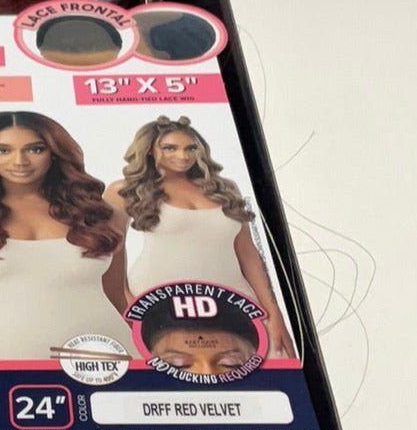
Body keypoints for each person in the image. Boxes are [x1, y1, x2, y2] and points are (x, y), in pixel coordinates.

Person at [0, 111, 135, 361]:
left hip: (106, 359)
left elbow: (116, 298)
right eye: (2, 150)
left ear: (54, 152)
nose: (20, 161)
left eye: (35, 149)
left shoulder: (99, 212)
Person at [106, 115, 295, 358]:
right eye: (170, 148)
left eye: (190, 148)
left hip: (233, 302)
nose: (183, 156)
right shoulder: (124, 190)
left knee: (265, 368)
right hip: (156, 304)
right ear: (150, 150)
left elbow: (248, 255)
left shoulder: (224, 189)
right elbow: (107, 255)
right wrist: (126, 304)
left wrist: (274, 313)